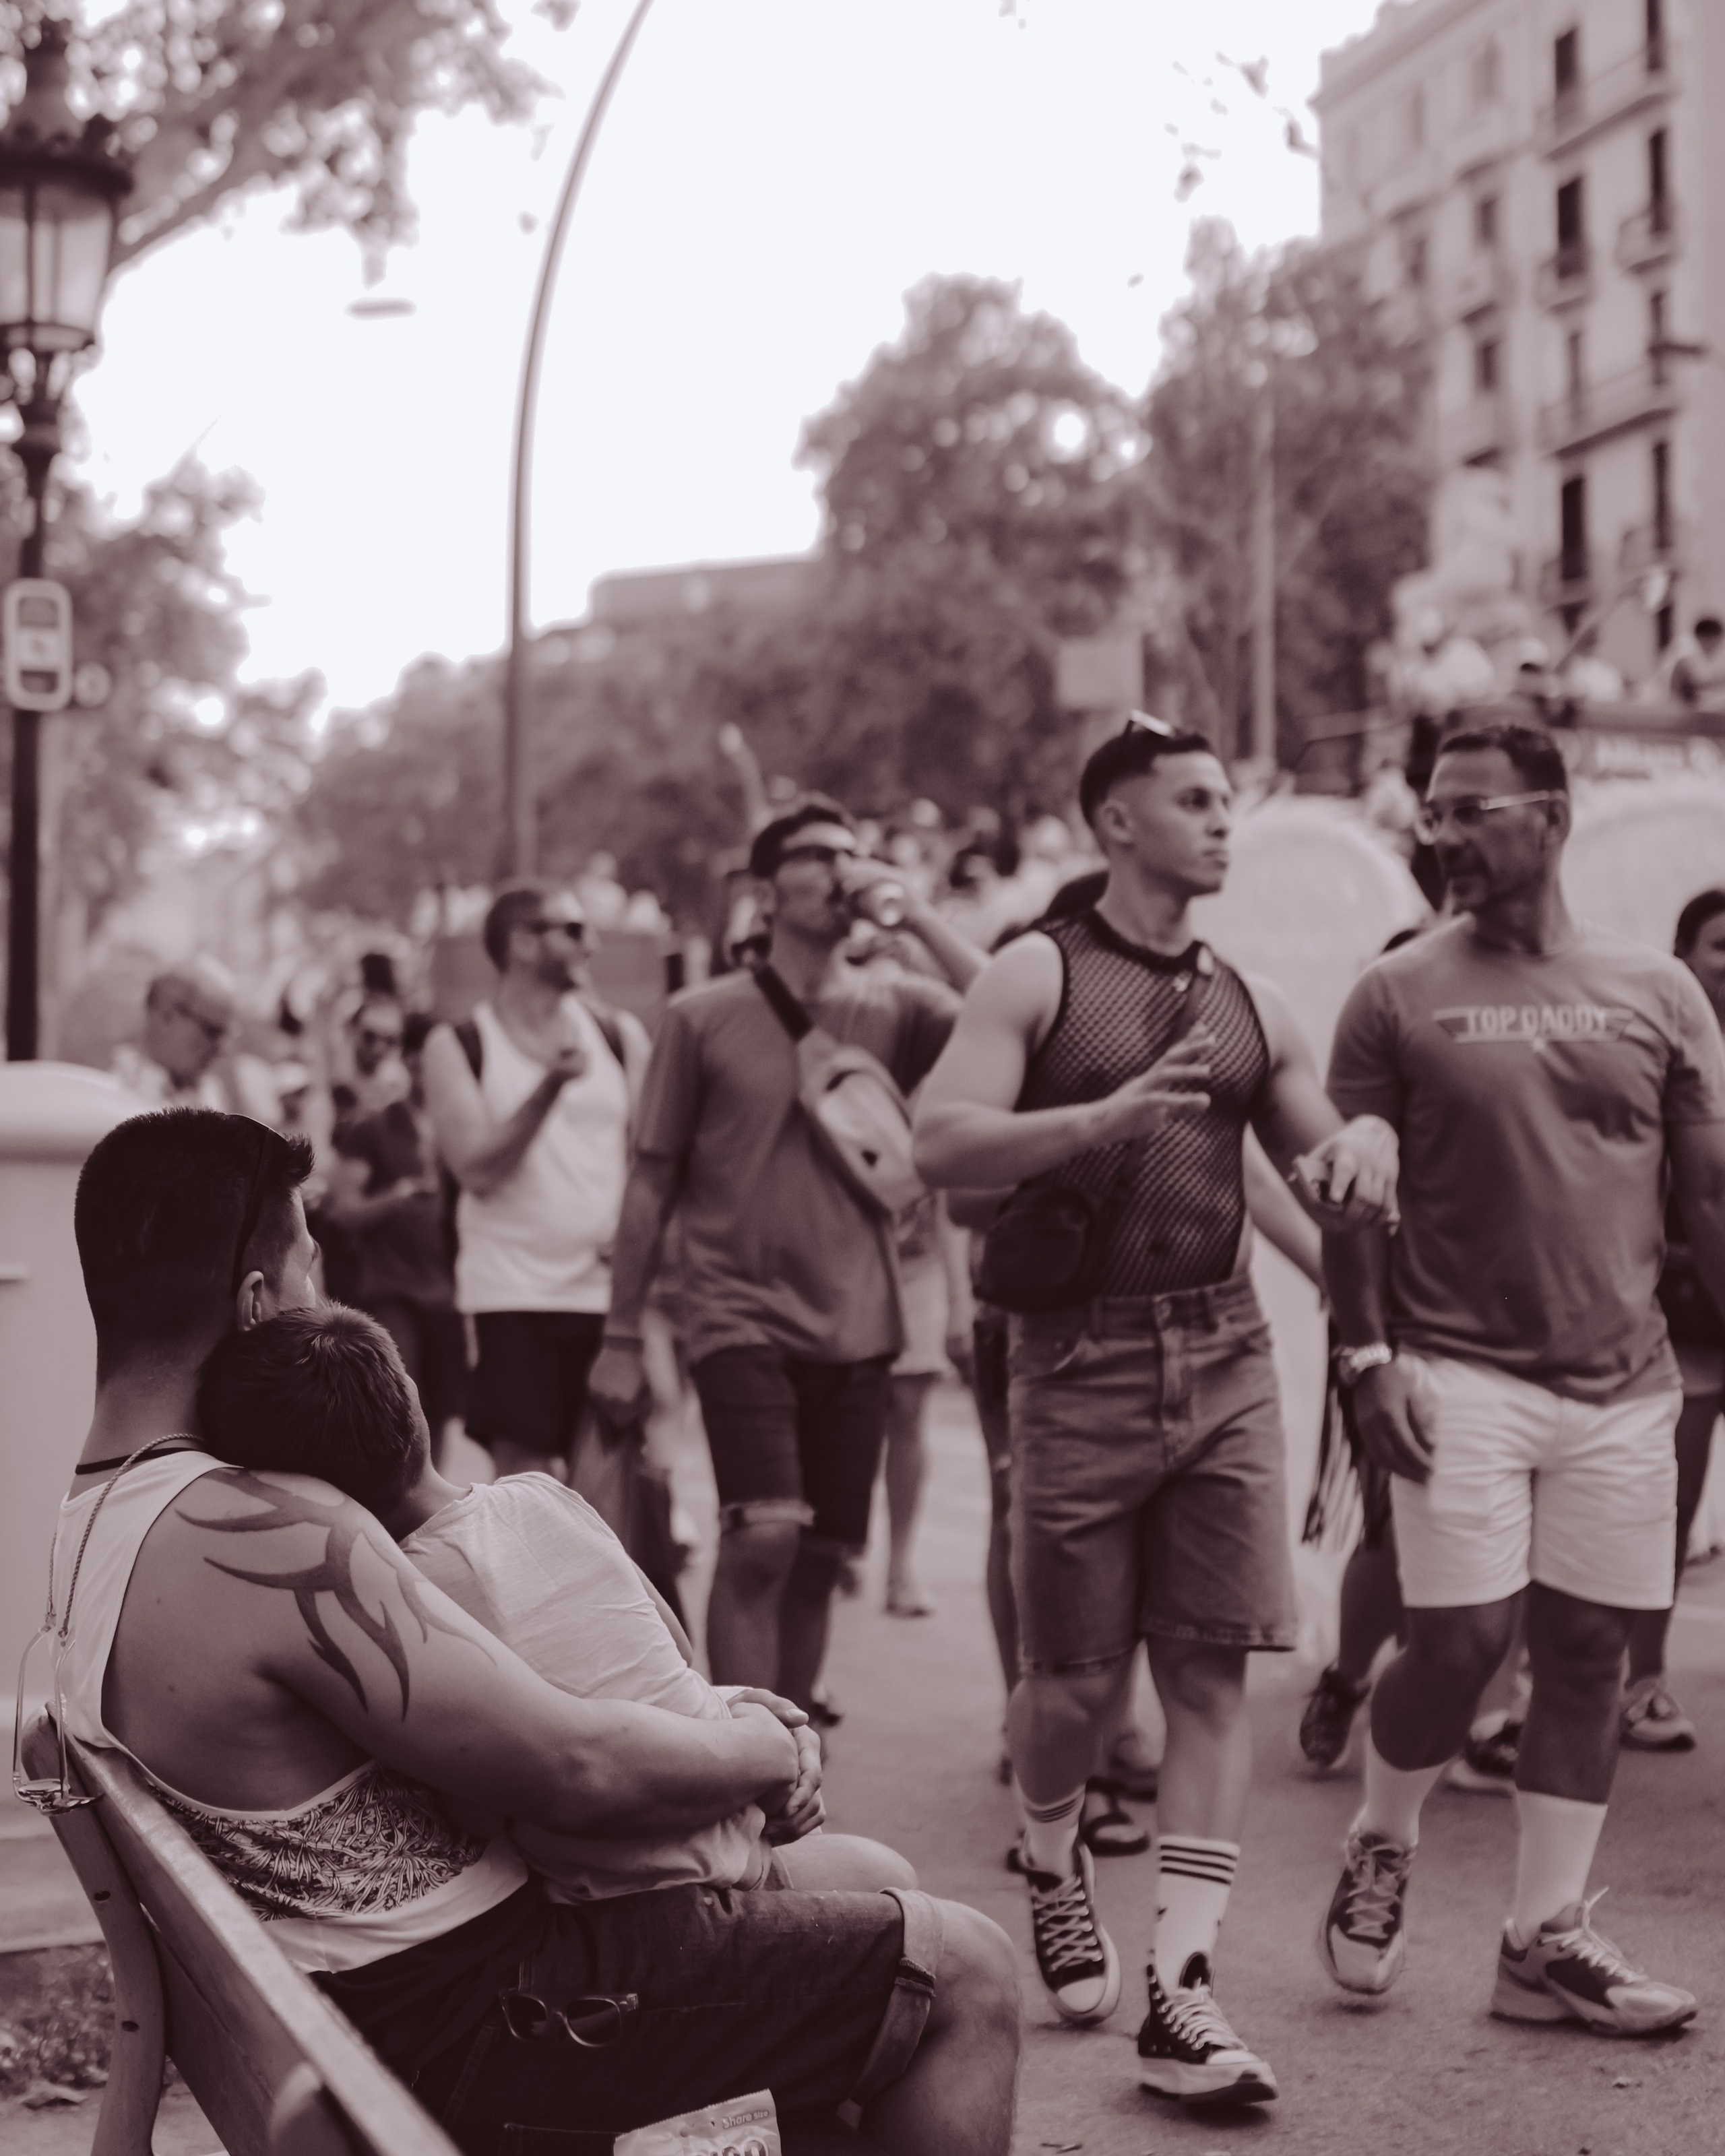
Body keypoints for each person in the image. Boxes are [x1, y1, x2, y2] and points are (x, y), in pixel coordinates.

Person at [49, 1106, 1022, 2154]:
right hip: (486, 2021)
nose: (322, 1299)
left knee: (864, 1904)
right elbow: (580, 1768)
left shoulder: (95, 1519)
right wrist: (764, 1743)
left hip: (371, 2017)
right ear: (254, 1304)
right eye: (311, 1272)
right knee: (962, 1967)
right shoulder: (273, 1528)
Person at [912, 720, 1398, 2108]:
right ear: (1114, 823)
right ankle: (1051, 1844)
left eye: (1226, 800)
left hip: (1226, 1351)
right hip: (1072, 1360)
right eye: (1192, 800)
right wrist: (1095, 1121)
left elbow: (1321, 1162)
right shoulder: (1037, 972)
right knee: (1067, 1688)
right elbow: (941, 1145)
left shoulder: (1246, 998)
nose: (1220, 821)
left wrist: (1363, 1147)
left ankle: (1181, 1990)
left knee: (1205, 1671)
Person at [1317, 722, 1725, 2038]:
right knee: (1460, 1641)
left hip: (1622, 1377)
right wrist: (1365, 1360)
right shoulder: (1393, 993)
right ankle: (1383, 1832)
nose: (1439, 834)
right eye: (1429, 812)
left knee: (1588, 1655)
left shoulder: (1657, 989)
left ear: (1547, 818)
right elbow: (1349, 1205)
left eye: (1467, 811)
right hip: (1454, 1369)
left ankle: (1540, 1937)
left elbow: (1703, 1190)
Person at [196, 1303, 916, 1902]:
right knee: (892, 1890)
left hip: (613, 1882)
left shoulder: (393, 1593)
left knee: (884, 1893)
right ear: (413, 1404)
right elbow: (675, 1646)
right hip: (713, 1850)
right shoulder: (538, 1493)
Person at [588, 797, 984, 1711]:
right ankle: (738, 1761)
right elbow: (651, 1181)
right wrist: (620, 1335)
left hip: (865, 1319)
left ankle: (788, 1763)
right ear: (764, 891)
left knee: (821, 1558)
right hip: (737, 1313)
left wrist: (916, 913)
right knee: (764, 1534)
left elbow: (1024, 1015)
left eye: (853, 852)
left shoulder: (901, 1004)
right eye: (816, 854)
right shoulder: (700, 1016)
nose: (842, 867)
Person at [422, 884, 648, 1480]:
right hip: (510, 1295)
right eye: (573, 930)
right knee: (529, 1485)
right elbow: (475, 1169)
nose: (591, 945)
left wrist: (640, 1240)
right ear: (522, 942)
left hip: (606, 1300)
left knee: (609, 1480)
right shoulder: (458, 1045)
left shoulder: (620, 1037)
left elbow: (652, 1162)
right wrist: (549, 1087)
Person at [1623, 887, 1725, 1748]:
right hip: (1684, 1317)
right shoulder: (1655, 1057)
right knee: (1669, 1503)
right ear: (1684, 956)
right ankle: (1640, 1680)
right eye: (1722, 945)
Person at [323, 1012, 468, 1458]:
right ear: (410, 1061)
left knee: (443, 1413)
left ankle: (432, 1513)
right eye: (430, 1060)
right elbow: (342, 1211)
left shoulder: (461, 1128)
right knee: (400, 1407)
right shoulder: (374, 1126)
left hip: (449, 1294)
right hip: (391, 1291)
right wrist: (396, 1198)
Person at [113, 957, 280, 1122]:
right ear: (167, 1016)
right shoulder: (112, 1089)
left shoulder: (209, 1095)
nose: (223, 1048)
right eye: (213, 1031)